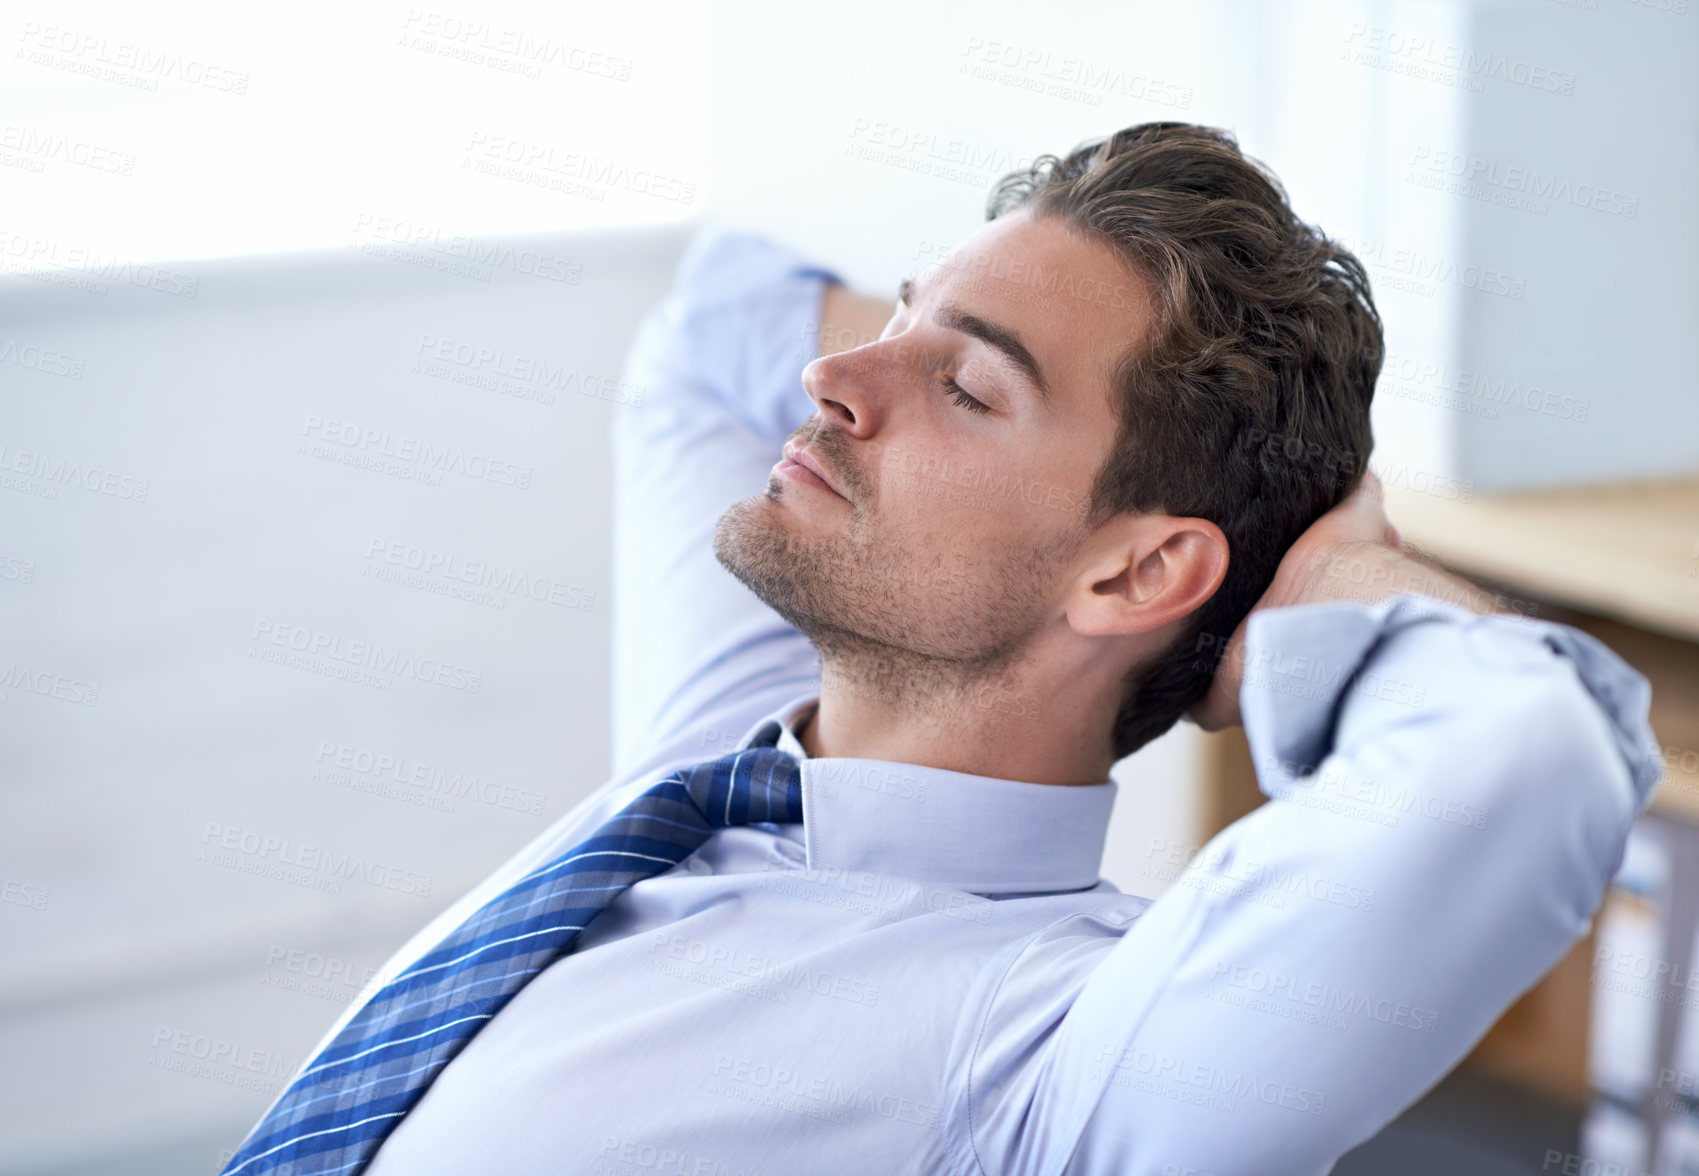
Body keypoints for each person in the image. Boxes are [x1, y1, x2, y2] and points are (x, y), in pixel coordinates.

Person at [224, 122, 1660, 1176]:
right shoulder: (725, 754)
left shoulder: (1057, 1055)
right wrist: (956, 345)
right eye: (899, 315)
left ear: (1141, 567)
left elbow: (1526, 758)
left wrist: (1337, 578)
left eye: (966, 386)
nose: (834, 378)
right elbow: (709, 327)